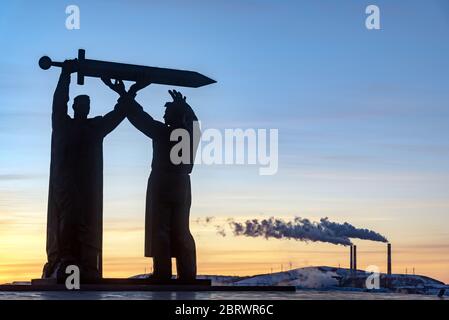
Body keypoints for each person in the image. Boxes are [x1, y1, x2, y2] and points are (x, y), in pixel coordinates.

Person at [43, 59, 140, 281]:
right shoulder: (62, 124)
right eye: (80, 105)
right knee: (68, 218)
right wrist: (65, 76)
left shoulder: (94, 127)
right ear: (75, 107)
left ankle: (83, 261)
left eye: (86, 106)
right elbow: (59, 102)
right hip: (65, 186)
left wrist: (130, 91)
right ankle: (66, 258)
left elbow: (118, 113)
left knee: (84, 222)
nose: (83, 109)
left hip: (86, 188)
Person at [118, 89, 200, 281]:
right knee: (181, 228)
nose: (163, 115)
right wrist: (185, 106)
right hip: (182, 184)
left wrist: (126, 96)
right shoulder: (188, 134)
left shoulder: (162, 132)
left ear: (173, 116)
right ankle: (187, 273)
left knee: (160, 228)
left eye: (167, 112)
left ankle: (162, 272)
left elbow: (139, 118)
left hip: (162, 182)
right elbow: (194, 121)